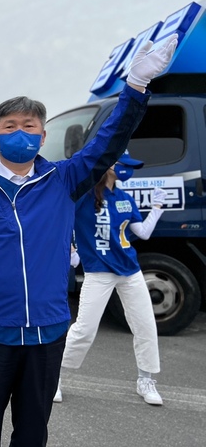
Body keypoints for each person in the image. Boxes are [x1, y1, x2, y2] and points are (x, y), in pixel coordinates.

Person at [0, 35, 178, 447]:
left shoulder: (63, 179)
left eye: (29, 126)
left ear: (42, 136)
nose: (19, 133)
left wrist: (134, 87)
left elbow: (109, 142)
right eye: (9, 127)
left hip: (47, 330)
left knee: (33, 431)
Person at [54, 152, 166, 406]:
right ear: (109, 166)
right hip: (99, 272)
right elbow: (63, 221)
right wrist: (71, 249)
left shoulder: (125, 197)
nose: (128, 170)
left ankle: (146, 380)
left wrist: (157, 208)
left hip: (130, 270)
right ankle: (53, 377)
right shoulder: (84, 196)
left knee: (145, 326)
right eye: (124, 165)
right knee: (85, 329)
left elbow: (144, 233)